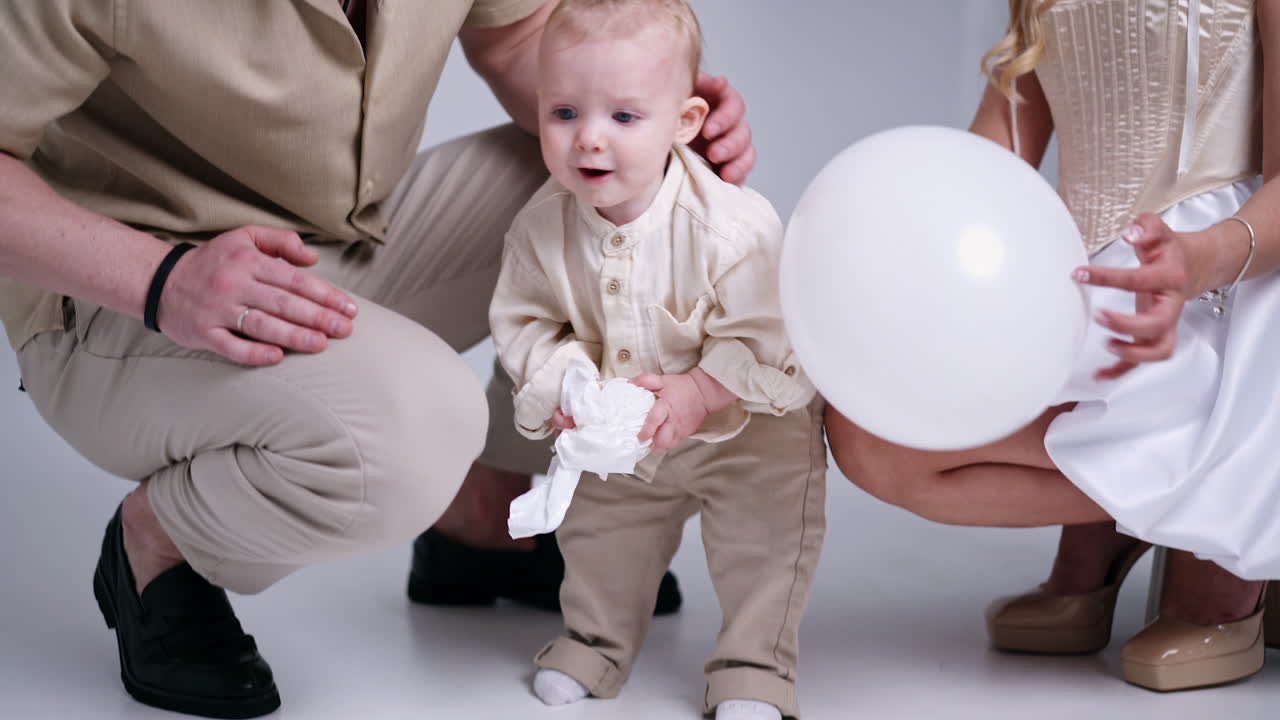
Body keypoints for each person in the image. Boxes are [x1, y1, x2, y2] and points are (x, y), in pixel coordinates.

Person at [0, 0, 756, 716]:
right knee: (419, 431)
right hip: (122, 297)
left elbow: (518, 38)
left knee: (617, 192)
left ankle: (483, 523)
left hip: (335, 244)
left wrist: (651, 130)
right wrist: (158, 278)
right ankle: (159, 542)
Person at [826, 0, 1280, 692]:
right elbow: (989, 162)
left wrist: (1201, 260)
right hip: (1084, 277)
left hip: (1233, 275)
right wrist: (906, 247)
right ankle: (1142, 504)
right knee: (869, 433)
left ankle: (1222, 540)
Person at [487, 2, 825, 718]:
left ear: (686, 123)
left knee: (763, 549)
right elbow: (524, 323)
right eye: (566, 113)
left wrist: (701, 389)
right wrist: (566, 383)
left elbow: (767, 332)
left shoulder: (733, 228)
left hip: (749, 429)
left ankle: (753, 668)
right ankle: (595, 642)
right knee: (599, 538)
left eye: (625, 118)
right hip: (626, 431)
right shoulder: (540, 230)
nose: (590, 141)